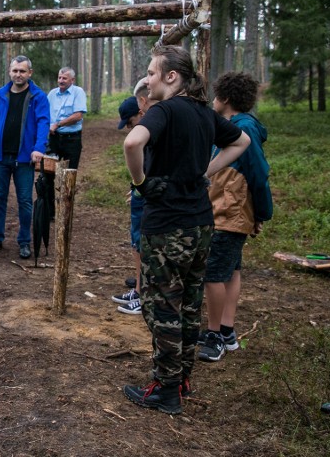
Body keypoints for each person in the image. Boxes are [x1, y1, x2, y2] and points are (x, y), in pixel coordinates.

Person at [122, 45, 249, 415]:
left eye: (151, 72)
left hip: (166, 227)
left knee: (161, 305)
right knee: (190, 304)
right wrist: (205, 172)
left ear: (171, 76)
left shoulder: (165, 110)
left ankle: (165, 388)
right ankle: (183, 378)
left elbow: (133, 141)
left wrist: (141, 182)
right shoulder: (204, 113)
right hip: (201, 224)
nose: (147, 79)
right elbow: (240, 142)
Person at [198, 72, 272, 362]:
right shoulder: (231, 125)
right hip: (225, 209)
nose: (213, 100)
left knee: (213, 273)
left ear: (225, 99)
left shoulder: (245, 129)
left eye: (216, 95)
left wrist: (262, 212)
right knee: (232, 270)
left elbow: (259, 173)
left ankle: (215, 334)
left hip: (230, 212)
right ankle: (226, 330)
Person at [0, 55, 50, 259]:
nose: (18, 74)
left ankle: (24, 242)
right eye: (15, 70)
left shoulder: (38, 97)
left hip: (24, 160)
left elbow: (44, 123)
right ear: (10, 72)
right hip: (0, 158)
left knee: (25, 201)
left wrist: (39, 148)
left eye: (22, 71)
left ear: (30, 73)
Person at [111, 80, 154, 316]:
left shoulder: (151, 127)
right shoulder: (144, 128)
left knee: (144, 244)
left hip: (148, 196)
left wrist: (141, 186)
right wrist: (136, 187)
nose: (129, 128)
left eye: (130, 122)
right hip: (141, 193)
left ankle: (143, 294)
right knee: (137, 243)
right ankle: (138, 290)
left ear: (141, 110)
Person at [46, 67, 87, 169]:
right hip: (54, 139)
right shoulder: (52, 94)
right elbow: (44, 113)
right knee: (47, 171)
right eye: (59, 78)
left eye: (64, 78)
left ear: (72, 80)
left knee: (69, 174)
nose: (60, 81)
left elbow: (78, 115)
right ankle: (47, 185)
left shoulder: (78, 92)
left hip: (72, 139)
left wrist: (57, 124)